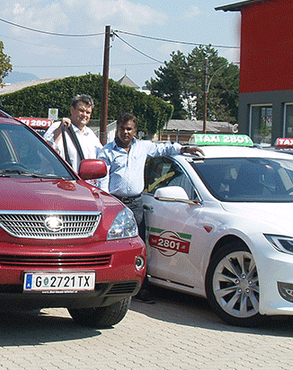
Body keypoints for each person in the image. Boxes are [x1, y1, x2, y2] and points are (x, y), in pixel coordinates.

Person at [97, 112, 203, 304]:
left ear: (135, 131)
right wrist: (107, 204)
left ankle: (141, 288)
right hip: (115, 203)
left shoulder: (143, 147)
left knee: (138, 246)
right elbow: (102, 179)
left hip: (136, 204)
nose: (125, 132)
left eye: (129, 128)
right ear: (117, 130)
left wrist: (185, 148)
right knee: (114, 246)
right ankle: (112, 287)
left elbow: (165, 149)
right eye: (122, 128)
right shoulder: (106, 152)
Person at [42, 94, 104, 187]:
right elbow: (45, 154)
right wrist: (60, 130)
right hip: (59, 186)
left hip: (84, 188)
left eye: (88, 112)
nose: (85, 115)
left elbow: (101, 160)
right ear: (72, 110)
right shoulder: (58, 128)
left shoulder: (91, 135)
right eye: (81, 111)